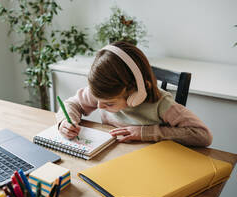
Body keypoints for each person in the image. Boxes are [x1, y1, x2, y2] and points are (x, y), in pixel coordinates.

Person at [56, 41, 212, 147]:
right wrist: (65, 121)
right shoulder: (103, 94)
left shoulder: (162, 104)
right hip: (114, 154)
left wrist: (144, 133)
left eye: (109, 104)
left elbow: (202, 135)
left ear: (134, 94)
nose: (99, 106)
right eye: (98, 100)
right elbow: (71, 104)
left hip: (154, 163)